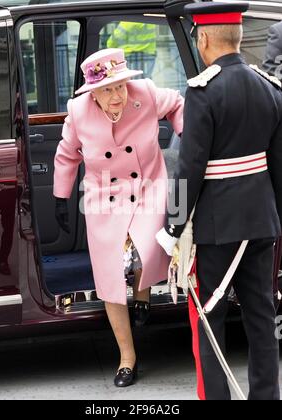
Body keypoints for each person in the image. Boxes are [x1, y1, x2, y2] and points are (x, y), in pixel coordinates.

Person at [157, 2, 282, 400]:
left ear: (204, 37)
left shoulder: (201, 92)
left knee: (211, 321)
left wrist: (172, 227)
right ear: (239, 37)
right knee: (262, 319)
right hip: (261, 224)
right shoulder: (271, 88)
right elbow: (278, 168)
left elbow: (187, 170)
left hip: (217, 230)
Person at [53, 48, 184, 387]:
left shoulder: (148, 94)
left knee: (145, 248)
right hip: (102, 199)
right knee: (109, 279)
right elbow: (67, 154)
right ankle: (127, 358)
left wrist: (190, 140)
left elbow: (181, 104)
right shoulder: (77, 112)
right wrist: (60, 198)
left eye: (121, 86)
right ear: (92, 92)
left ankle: (142, 296)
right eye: (108, 89)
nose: (117, 96)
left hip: (148, 189)